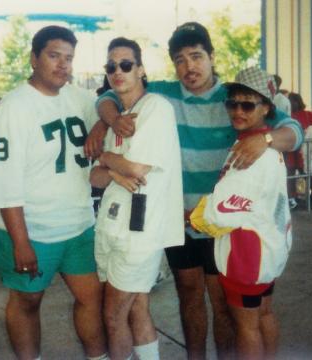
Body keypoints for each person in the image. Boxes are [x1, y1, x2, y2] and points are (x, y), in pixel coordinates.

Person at [86, 22, 303, 359]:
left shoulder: (235, 98)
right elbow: (110, 94)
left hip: (221, 223)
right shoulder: (162, 96)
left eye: (197, 56)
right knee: (188, 297)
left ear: (211, 56)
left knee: (222, 304)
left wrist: (267, 138)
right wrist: (109, 120)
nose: (190, 66)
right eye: (181, 59)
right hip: (178, 221)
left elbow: (293, 130)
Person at [0, 26, 107, 360]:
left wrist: (101, 123)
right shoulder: (14, 107)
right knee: (28, 301)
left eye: (69, 58)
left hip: (79, 223)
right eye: (54, 56)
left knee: (91, 297)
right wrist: (21, 242)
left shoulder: (79, 97)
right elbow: (5, 182)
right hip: (32, 227)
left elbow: (107, 107)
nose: (63, 65)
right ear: (34, 58)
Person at [90, 37, 184, 360]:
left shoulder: (156, 108)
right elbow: (95, 177)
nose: (118, 71)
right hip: (111, 226)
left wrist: (107, 158)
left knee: (113, 316)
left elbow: (135, 166)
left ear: (141, 70)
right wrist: (113, 171)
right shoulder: (119, 116)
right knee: (137, 307)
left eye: (126, 65)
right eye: (111, 66)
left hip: (138, 230)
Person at [190, 66, 292, 359]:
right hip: (269, 248)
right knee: (264, 314)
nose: (238, 110)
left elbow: (221, 213)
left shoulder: (251, 150)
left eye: (247, 104)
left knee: (246, 326)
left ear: (266, 109)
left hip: (246, 256)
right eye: (232, 103)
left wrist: (188, 215)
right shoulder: (266, 145)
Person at [288, 92, 312, 204]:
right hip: (291, 148)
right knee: (290, 171)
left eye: (294, 101)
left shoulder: (308, 114)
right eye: (290, 101)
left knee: (305, 171)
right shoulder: (288, 115)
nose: (293, 103)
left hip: (304, 148)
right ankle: (292, 196)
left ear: (298, 101)